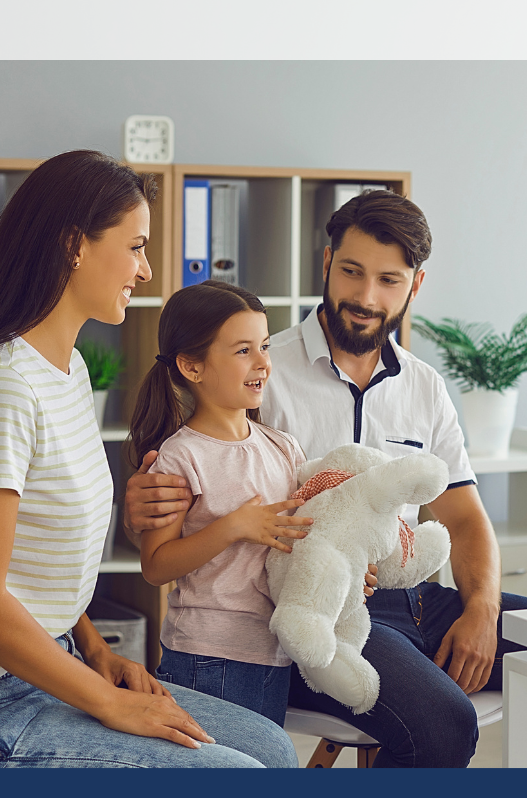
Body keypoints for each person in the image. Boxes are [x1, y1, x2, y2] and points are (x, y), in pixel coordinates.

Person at [0, 150, 298, 769]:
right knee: (233, 772)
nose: (146, 267)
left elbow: (31, 560)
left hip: (48, 664)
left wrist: (95, 650)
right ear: (73, 245)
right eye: (135, 247)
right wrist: (108, 704)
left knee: (270, 748)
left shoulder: (68, 369)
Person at [123, 190, 527, 767]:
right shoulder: (255, 367)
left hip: (416, 596)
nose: (366, 297)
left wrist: (482, 611)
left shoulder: (423, 385)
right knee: (444, 723)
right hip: (323, 607)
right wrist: (142, 504)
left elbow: (465, 515)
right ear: (326, 264)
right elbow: (182, 483)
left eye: (389, 281)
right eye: (351, 272)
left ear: (415, 287)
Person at [130, 278, 375, 727]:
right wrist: (233, 527)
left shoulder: (283, 447)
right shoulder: (180, 456)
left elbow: (308, 532)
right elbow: (156, 566)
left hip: (273, 651)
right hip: (209, 656)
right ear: (192, 366)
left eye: (264, 346)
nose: (263, 361)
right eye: (243, 350)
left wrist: (349, 568)